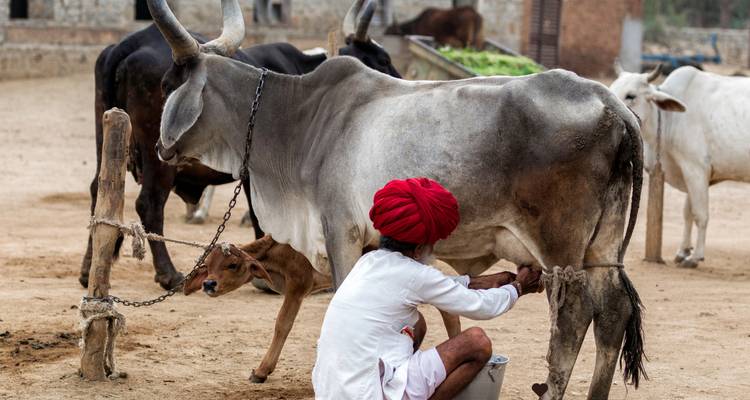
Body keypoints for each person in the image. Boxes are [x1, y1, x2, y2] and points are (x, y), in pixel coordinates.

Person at [312, 177, 543, 400]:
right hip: (369, 392)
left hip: (333, 390)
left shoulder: (369, 262)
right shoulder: (415, 275)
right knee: (477, 342)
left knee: (416, 323)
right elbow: (482, 307)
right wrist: (518, 287)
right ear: (420, 248)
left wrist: (480, 282)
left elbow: (430, 286)